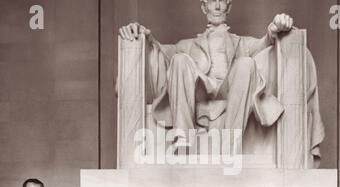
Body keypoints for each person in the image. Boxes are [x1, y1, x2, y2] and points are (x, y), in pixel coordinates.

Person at [119, 0, 293, 148]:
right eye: (211, 0)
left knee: (246, 63)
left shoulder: (242, 43)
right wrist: (143, 35)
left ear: (228, 6)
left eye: (222, 0)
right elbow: (158, 51)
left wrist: (274, 28)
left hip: (231, 88)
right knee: (179, 60)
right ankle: (183, 137)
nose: (217, 6)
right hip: (200, 89)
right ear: (204, 7)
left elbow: (266, 42)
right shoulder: (186, 45)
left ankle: (230, 142)